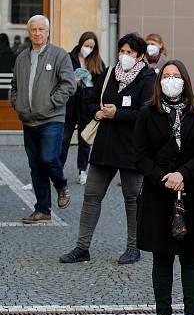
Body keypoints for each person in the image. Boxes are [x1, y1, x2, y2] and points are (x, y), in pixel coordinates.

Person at [135, 60, 194, 315]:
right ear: (159, 82)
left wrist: (182, 174)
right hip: (159, 191)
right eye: (166, 76)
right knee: (161, 257)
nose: (172, 80)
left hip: (192, 189)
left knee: (191, 257)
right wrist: (164, 178)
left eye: (176, 76)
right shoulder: (147, 113)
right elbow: (140, 154)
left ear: (185, 80)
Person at [59, 33, 156, 264]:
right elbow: (91, 99)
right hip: (105, 145)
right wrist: (97, 112)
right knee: (91, 196)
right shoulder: (110, 72)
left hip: (133, 148)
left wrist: (117, 114)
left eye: (130, 53)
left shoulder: (148, 77)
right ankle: (82, 247)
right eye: (122, 51)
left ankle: (134, 247)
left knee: (132, 199)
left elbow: (147, 113)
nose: (125, 56)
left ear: (140, 55)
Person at [10, 15, 76, 224]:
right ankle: (42, 210)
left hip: (51, 119)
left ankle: (61, 184)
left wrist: (50, 103)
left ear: (48, 32)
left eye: (41, 29)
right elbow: (14, 85)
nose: (37, 33)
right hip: (28, 120)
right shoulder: (21, 57)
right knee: (36, 165)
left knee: (48, 158)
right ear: (29, 33)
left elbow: (68, 85)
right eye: (33, 30)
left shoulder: (59, 55)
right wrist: (17, 103)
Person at [61, 31, 105, 185]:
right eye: (86, 45)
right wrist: (73, 81)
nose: (88, 49)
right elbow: (61, 78)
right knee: (64, 139)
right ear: (80, 44)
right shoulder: (68, 58)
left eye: (91, 47)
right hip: (70, 104)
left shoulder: (97, 62)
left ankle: (82, 170)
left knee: (84, 140)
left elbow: (101, 85)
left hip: (87, 105)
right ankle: (58, 170)